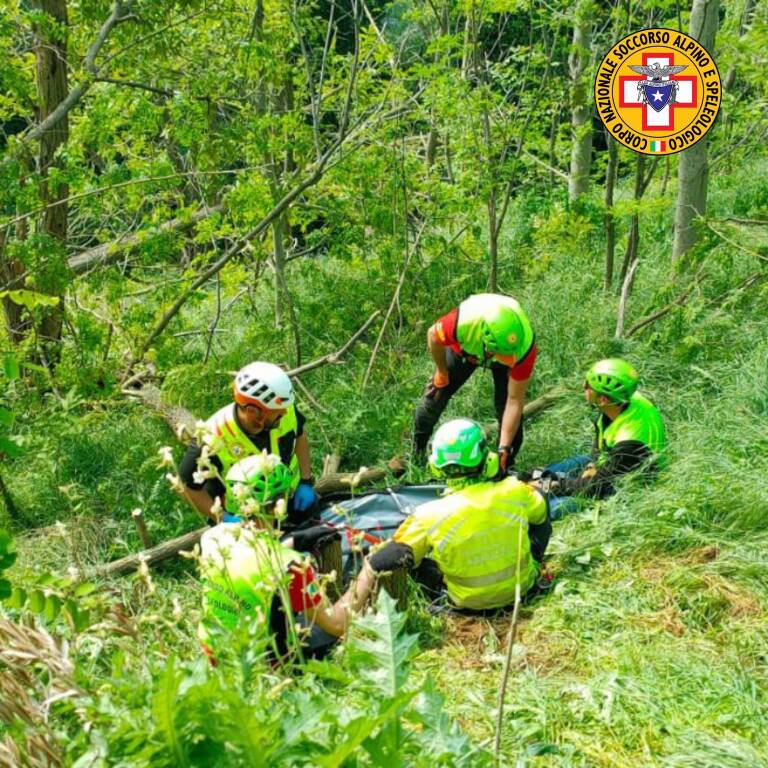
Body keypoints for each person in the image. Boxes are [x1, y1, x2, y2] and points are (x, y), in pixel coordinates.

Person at [198, 454, 376, 664]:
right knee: (338, 624)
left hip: (215, 652)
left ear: (230, 500)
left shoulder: (213, 537)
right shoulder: (290, 565)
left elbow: (253, 555)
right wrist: (371, 569)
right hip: (262, 666)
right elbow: (337, 624)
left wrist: (293, 540)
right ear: (279, 506)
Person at [371, 418, 551, 611]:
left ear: (436, 467)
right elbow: (540, 516)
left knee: (405, 556)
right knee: (539, 500)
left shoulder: (427, 515)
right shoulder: (515, 490)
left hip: (466, 605)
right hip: (521, 591)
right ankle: (536, 565)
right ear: (487, 458)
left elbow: (391, 560)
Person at [179, 361, 318, 528]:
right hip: (245, 519)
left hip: (291, 497)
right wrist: (223, 518)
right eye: (278, 411)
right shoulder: (212, 438)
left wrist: (305, 481)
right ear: (254, 411)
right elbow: (187, 487)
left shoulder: (286, 412)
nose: (285, 413)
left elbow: (300, 435)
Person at [413, 293, 537, 473]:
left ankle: (504, 467)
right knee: (435, 396)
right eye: (499, 355)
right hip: (466, 351)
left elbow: (514, 401)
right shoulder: (462, 323)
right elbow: (433, 335)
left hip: (504, 351)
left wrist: (504, 448)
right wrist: (442, 371)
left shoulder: (523, 349)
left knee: (507, 414)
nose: (502, 359)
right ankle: (417, 454)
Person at [537, 358, 666, 519]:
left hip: (624, 486)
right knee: (573, 463)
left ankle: (535, 496)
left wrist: (556, 486)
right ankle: (535, 478)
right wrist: (592, 464)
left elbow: (596, 486)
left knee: (555, 507)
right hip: (611, 463)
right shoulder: (621, 400)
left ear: (603, 399)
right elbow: (600, 437)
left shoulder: (630, 443)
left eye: (589, 386)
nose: (584, 386)